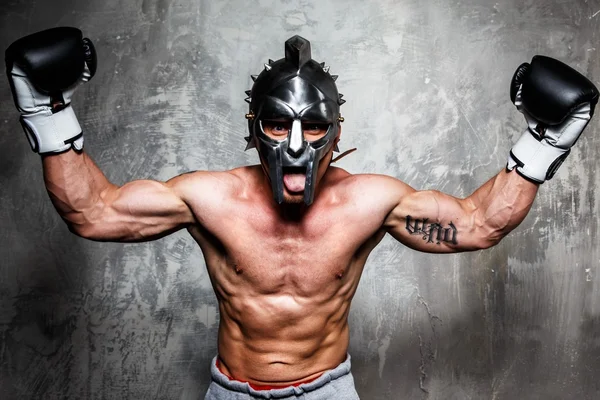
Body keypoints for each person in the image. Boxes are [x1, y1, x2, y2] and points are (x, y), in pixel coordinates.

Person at [5, 27, 598, 400]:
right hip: (230, 390)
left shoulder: (370, 202)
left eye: (313, 126)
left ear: (337, 136)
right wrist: (47, 115)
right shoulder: (211, 199)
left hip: (326, 391)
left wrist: (540, 149)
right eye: (277, 125)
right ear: (253, 130)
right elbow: (94, 213)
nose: (295, 144)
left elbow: (478, 224)